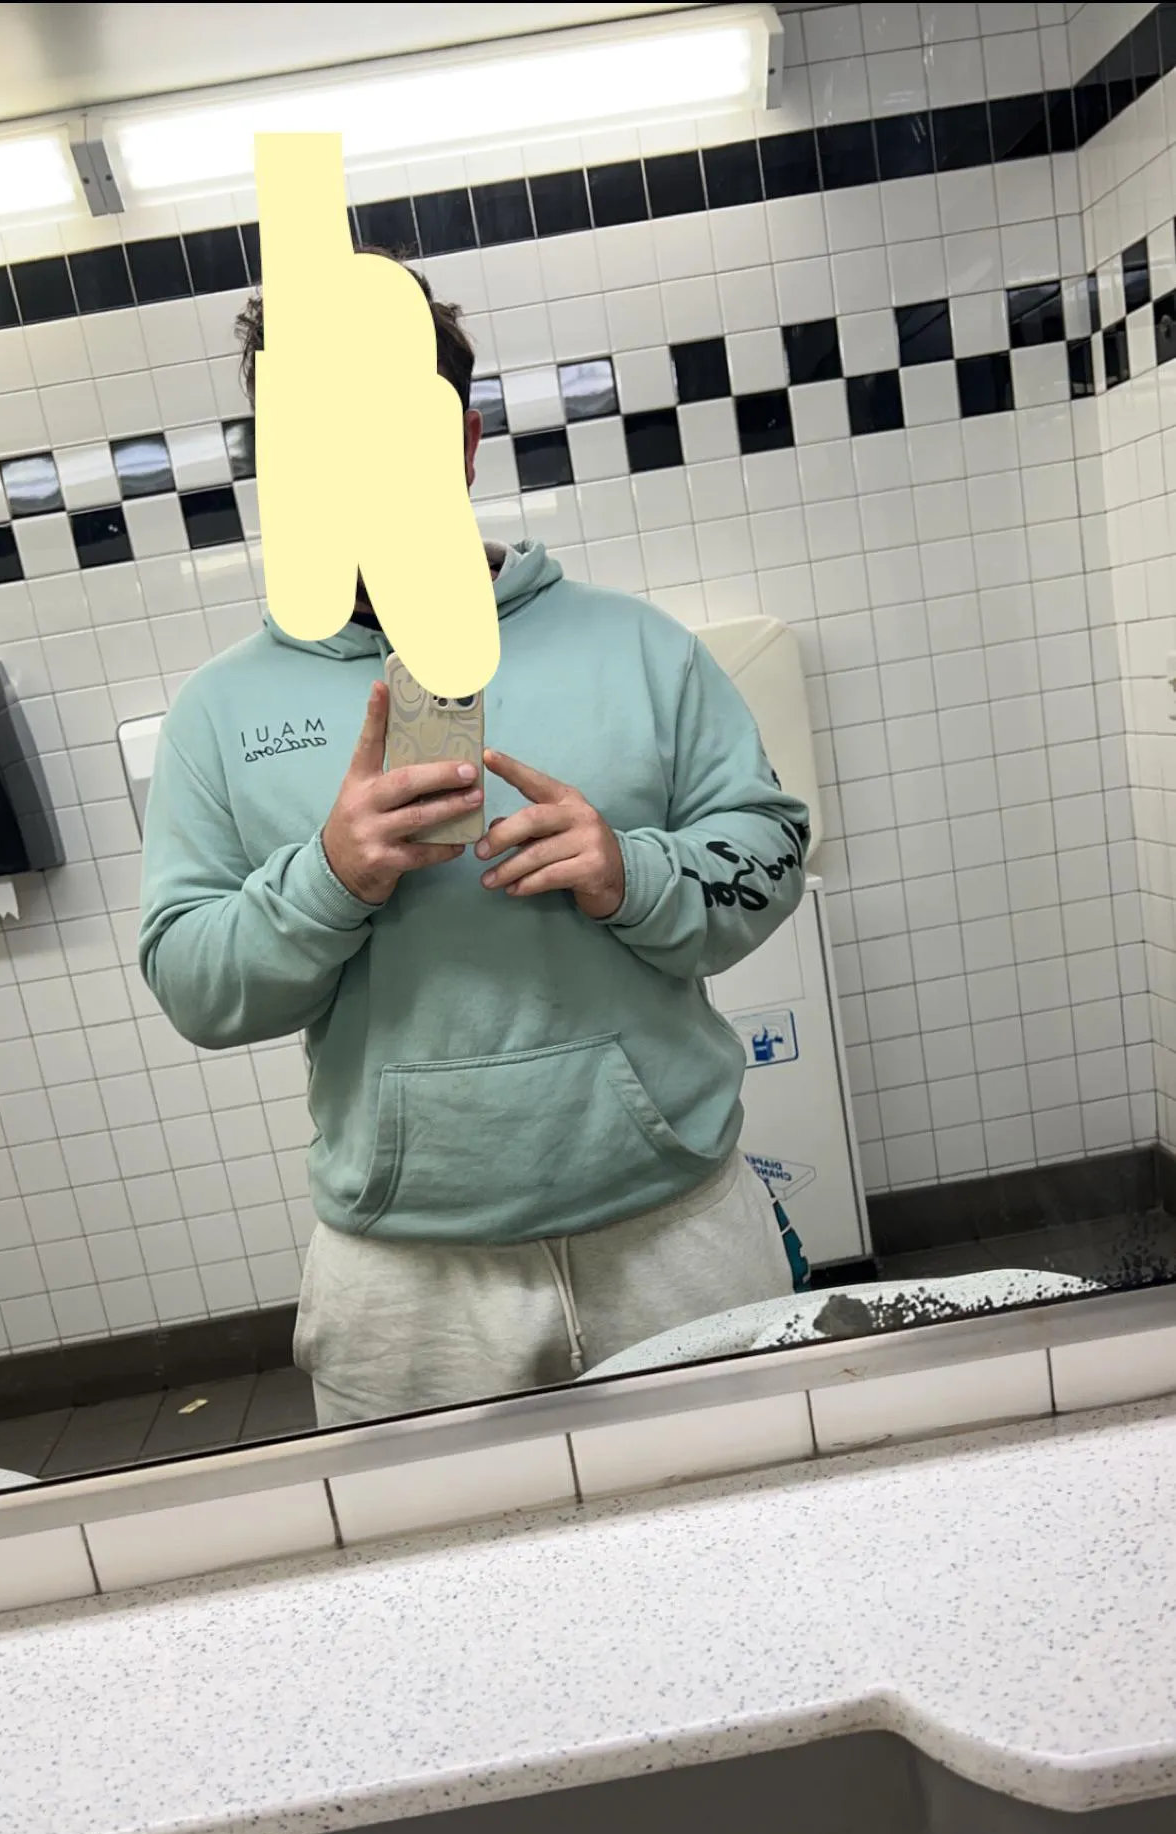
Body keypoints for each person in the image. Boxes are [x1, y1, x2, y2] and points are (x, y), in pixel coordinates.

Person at [139, 258, 811, 1426]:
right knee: (428, 1548)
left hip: (677, 1231)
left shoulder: (638, 647)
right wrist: (326, 880)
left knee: (758, 1514)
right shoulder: (219, 710)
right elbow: (192, 983)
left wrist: (634, 872)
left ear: (461, 440)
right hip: (404, 1281)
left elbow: (770, 852)